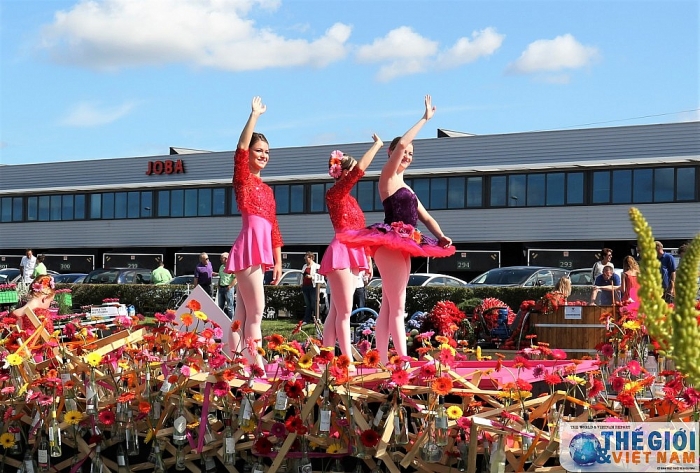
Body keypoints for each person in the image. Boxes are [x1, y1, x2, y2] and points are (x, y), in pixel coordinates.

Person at [339, 96, 455, 365]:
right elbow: (402, 142)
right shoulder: (388, 177)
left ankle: (380, 360)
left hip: (406, 242)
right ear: (392, 154)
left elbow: (424, 216)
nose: (408, 155)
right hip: (389, 242)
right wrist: (425, 119)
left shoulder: (408, 186)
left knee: (390, 307)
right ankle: (402, 360)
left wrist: (441, 236)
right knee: (398, 307)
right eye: (405, 153)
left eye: (412, 154)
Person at [225, 96, 283, 370]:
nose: (263, 155)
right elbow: (239, 147)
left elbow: (273, 227)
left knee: (242, 313)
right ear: (249, 153)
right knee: (256, 311)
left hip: (261, 253)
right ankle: (255, 362)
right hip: (248, 248)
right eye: (259, 150)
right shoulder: (243, 179)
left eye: (267, 152)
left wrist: (278, 261)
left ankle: (233, 359)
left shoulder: (269, 190)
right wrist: (255, 116)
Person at [319, 136, 383, 359]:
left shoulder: (350, 200)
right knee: (343, 312)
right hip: (342, 251)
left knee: (337, 311)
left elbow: (361, 230)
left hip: (353, 251)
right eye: (352, 170)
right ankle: (346, 360)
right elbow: (360, 170)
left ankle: (327, 357)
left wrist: (368, 259)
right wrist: (377, 146)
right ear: (344, 172)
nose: (356, 174)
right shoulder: (335, 194)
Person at [301, 252, 321, 324]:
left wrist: (311, 277)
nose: (306, 260)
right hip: (305, 286)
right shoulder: (304, 266)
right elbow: (302, 274)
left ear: (311, 258)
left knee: (314, 303)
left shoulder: (317, 266)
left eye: (307, 259)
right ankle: (306, 319)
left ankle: (316, 318)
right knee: (308, 303)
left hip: (313, 286)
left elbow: (320, 276)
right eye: (305, 259)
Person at [217, 252, 236, 318]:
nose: (220, 259)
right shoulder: (221, 267)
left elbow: (235, 278)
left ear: (226, 259)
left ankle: (231, 321)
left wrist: (230, 286)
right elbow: (220, 276)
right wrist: (218, 284)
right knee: (220, 306)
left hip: (228, 288)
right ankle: (220, 320)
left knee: (230, 307)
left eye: (221, 258)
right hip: (221, 288)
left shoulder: (231, 267)